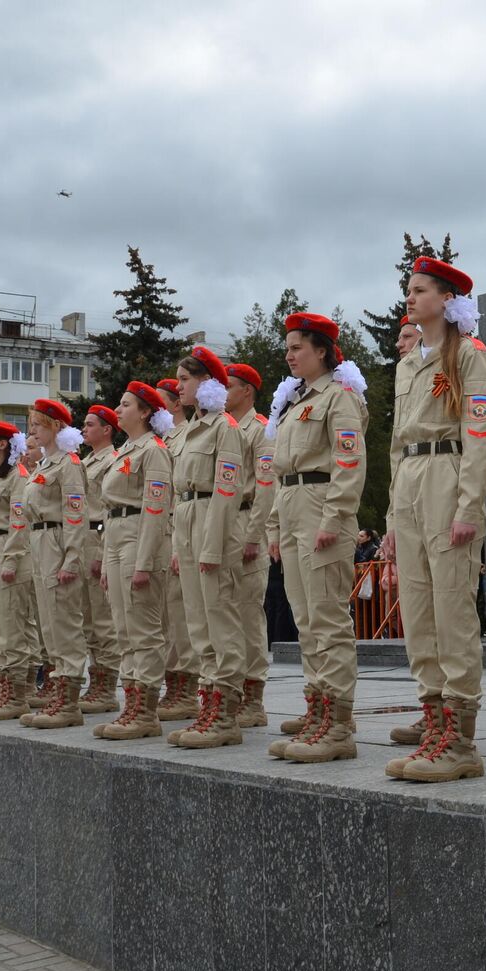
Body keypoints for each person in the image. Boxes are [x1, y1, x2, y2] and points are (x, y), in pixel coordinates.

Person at [382, 257, 486, 782]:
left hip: (448, 476)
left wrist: (469, 506)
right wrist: (389, 515)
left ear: (448, 299)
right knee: (420, 611)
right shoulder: (408, 363)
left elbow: (480, 433)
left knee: (453, 609)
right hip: (410, 478)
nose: (411, 297)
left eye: (421, 289)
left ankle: (460, 739)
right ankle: (433, 724)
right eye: (409, 289)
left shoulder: (469, 356)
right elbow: (394, 446)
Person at [265, 313, 369, 762]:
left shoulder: (339, 398)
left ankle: (339, 725)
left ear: (322, 350)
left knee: (327, 619)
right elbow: (278, 472)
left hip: (321, 506)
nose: (289, 355)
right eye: (287, 348)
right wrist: (273, 524)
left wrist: (334, 518)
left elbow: (349, 461)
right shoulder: (293, 402)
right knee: (306, 621)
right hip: (291, 507)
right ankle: (319, 710)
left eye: (297, 347)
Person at [166, 346, 256, 749]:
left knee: (221, 619)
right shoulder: (186, 432)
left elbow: (226, 488)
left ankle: (225, 712)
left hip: (212, 523)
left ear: (207, 382)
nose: (179, 387)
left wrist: (213, 543)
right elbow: (177, 492)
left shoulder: (225, 428)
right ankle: (208, 702)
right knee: (197, 622)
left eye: (185, 380)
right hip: (187, 520)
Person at [92, 381, 176, 740]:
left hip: (140, 537)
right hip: (116, 536)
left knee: (144, 629)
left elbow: (156, 508)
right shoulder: (127, 450)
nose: (119, 409)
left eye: (125, 405)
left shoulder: (153, 451)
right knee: (124, 628)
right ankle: (131, 704)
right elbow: (110, 509)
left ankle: (146, 711)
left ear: (145, 412)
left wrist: (143, 562)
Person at [14, 398, 91, 725]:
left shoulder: (69, 464)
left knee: (64, 623)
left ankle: (69, 701)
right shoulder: (45, 465)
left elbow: (76, 514)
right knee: (49, 623)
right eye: (31, 424)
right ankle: (58, 692)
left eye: (37, 424)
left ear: (56, 426)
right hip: (40, 540)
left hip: (58, 541)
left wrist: (72, 558)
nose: (31, 430)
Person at [0, 422, 43, 719]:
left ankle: (16, 693)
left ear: (3, 445)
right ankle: (9, 688)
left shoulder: (17, 478)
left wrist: (12, 559)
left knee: (11, 623)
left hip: (8, 548)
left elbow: (19, 521)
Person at [225, 362, 275, 727]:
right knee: (226, 611)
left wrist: (254, 534)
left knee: (247, 613)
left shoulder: (258, 430)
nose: (221, 392)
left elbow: (265, 485)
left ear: (246, 391)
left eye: (228, 386)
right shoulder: (225, 429)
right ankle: (230, 691)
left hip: (246, 519)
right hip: (224, 522)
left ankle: (253, 698)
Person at [153, 378, 200, 722]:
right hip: (166, 528)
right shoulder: (163, 440)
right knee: (168, 616)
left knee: (182, 616)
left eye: (158, 402)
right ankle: (173, 684)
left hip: (182, 527)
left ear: (173, 404)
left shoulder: (189, 433)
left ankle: (186, 688)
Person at [77, 405, 124, 713]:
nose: (83, 429)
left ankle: (106, 687)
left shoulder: (112, 460)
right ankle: (95, 681)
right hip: (82, 538)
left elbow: (105, 510)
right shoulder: (85, 462)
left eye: (90, 424)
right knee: (88, 621)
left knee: (103, 620)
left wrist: (99, 553)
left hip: (98, 537)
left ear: (107, 429)